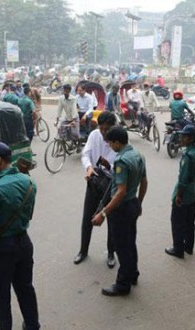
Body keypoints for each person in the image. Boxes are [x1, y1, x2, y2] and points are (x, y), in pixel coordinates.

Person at [0, 142, 40, 330]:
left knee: (0, 295)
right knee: (25, 288)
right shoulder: (28, 181)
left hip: (2, 248)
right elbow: (28, 214)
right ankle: (32, 325)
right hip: (24, 242)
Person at [92, 126, 148, 296]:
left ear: (117, 142)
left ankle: (123, 284)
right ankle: (133, 274)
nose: (109, 146)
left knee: (121, 246)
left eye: (110, 143)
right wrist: (139, 203)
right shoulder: (138, 155)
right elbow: (144, 182)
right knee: (130, 241)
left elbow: (120, 191)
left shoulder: (121, 161)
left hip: (121, 208)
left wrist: (103, 213)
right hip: (132, 204)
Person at [74, 112, 117, 268]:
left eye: (108, 129)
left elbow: (121, 168)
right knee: (87, 218)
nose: (104, 132)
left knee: (111, 220)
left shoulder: (118, 139)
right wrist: (89, 167)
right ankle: (83, 251)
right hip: (94, 181)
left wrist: (108, 166)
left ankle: (111, 253)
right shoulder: (94, 135)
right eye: (102, 129)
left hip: (111, 185)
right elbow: (85, 154)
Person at [165, 125, 195, 258]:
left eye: (184, 136)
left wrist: (178, 195)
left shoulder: (187, 156)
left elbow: (182, 179)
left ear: (191, 138)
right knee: (189, 220)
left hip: (185, 190)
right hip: (193, 189)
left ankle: (178, 249)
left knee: (177, 221)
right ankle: (189, 246)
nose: (181, 138)